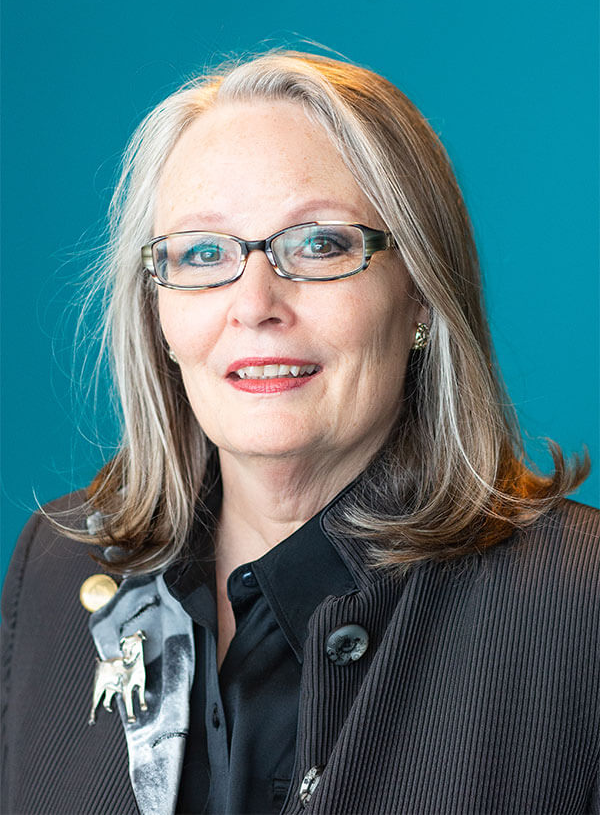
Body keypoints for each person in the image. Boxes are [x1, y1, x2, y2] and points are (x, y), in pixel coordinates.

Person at [1, 50, 598, 815]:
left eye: (319, 245)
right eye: (204, 253)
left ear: (419, 294)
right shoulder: (59, 571)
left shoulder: (582, 609)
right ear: (157, 312)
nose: (254, 304)